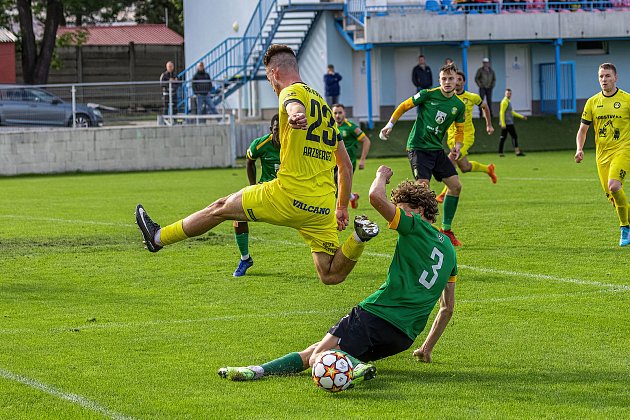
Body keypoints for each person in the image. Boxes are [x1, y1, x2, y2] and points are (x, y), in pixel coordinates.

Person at [135, 44, 379, 284]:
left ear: (274, 73)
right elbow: (345, 166)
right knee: (330, 274)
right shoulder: (326, 109)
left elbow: (292, 102)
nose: (272, 86)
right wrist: (342, 208)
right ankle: (357, 238)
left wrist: (295, 113)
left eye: (268, 79)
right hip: (322, 206)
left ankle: (157, 238)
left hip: (287, 195)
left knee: (219, 208)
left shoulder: (289, 91)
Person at [218, 165, 458, 382]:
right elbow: (447, 308)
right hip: (404, 337)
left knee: (318, 358)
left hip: (378, 315)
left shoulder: (414, 226)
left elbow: (375, 197)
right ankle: (256, 371)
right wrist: (427, 348)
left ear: (419, 210)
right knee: (317, 349)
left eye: (403, 209)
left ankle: (357, 369)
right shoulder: (449, 250)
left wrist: (381, 175)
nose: (398, 214)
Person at [379, 63, 466, 246]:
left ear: (457, 80)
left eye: (451, 79)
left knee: (456, 186)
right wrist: (390, 125)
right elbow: (404, 106)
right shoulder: (428, 94)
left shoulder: (458, 105)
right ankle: (419, 232)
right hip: (418, 147)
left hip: (436, 149)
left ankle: (446, 230)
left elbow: (460, 130)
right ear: (439, 79)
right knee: (423, 188)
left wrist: (457, 146)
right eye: (444, 79)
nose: (447, 82)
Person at [575, 62, 630, 247]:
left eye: (607, 76)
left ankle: (624, 228)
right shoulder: (592, 102)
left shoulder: (626, 100)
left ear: (615, 78)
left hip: (623, 150)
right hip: (602, 156)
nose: (604, 80)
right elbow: (583, 130)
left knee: (614, 186)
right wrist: (579, 149)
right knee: (614, 200)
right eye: (601, 76)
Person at [436, 71, 496, 203]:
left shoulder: (472, 97)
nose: (455, 82)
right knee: (465, 167)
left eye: (459, 79)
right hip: (451, 137)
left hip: (466, 136)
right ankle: (488, 169)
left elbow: (485, 107)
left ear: (463, 82)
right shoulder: (447, 98)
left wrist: (489, 125)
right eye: (454, 79)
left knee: (451, 159)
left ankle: (443, 194)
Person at [232, 114, 281, 277]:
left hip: (288, 194)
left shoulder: (295, 144)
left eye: (283, 130)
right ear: (271, 130)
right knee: (237, 217)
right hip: (265, 192)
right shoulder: (261, 144)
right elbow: (249, 160)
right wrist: (253, 186)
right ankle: (245, 258)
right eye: (276, 130)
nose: (279, 134)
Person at [332, 103, 372, 209]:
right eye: (335, 113)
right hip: (332, 161)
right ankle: (352, 197)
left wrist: (362, 160)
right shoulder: (330, 127)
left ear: (344, 113)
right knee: (333, 183)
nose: (337, 115)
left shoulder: (351, 127)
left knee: (338, 181)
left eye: (340, 112)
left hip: (347, 162)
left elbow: (366, 141)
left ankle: (338, 209)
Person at [498, 88, 527, 157]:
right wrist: (503, 123)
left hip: (508, 122)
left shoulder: (508, 101)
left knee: (503, 137)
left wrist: (521, 116)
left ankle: (500, 152)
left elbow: (511, 112)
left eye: (510, 93)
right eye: (507, 93)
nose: (509, 94)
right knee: (513, 136)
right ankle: (517, 152)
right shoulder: (504, 102)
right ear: (505, 94)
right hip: (507, 123)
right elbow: (501, 112)